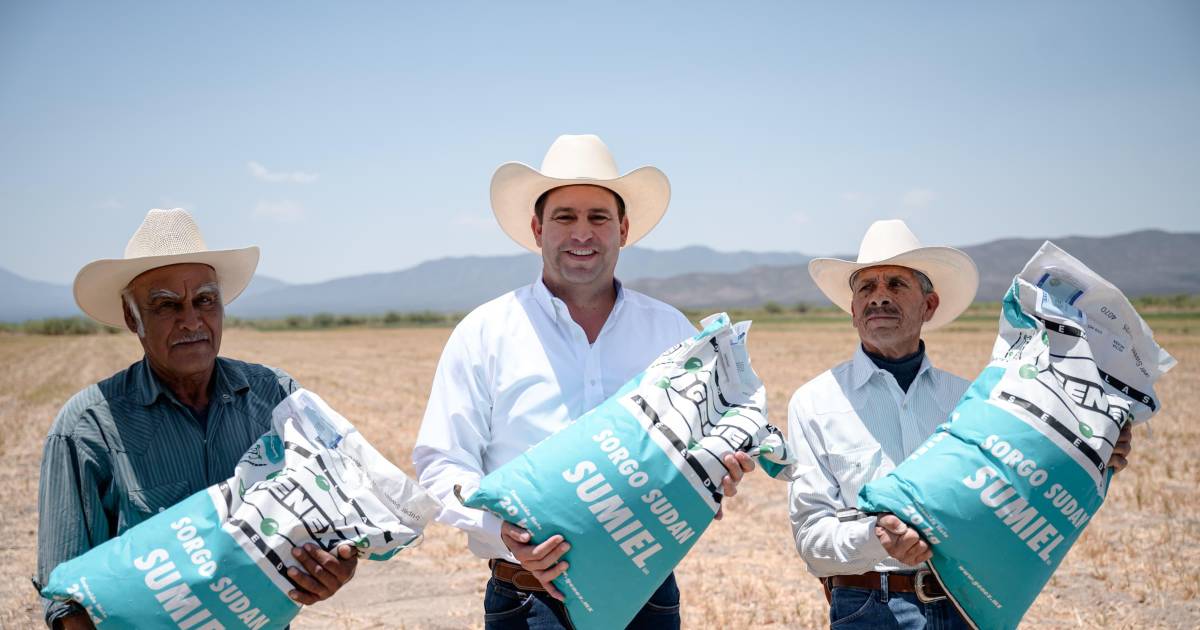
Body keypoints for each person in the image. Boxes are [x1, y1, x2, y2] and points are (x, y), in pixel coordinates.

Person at [413, 134, 755, 629]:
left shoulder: (671, 332)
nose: (582, 233)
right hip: (528, 600)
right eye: (564, 217)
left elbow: (708, 440)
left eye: (598, 217)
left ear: (623, 229)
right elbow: (442, 461)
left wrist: (719, 471)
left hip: (648, 598)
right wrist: (500, 529)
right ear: (537, 228)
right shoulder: (485, 332)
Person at [786, 219, 1134, 628]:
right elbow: (811, 537)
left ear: (929, 305)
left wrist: (1093, 453)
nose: (879, 297)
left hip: (966, 606)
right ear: (853, 310)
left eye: (896, 284)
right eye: (866, 287)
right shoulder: (815, 402)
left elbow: (1023, 482)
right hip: (870, 609)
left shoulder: (973, 400)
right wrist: (875, 537)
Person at [36, 209, 358, 629]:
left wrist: (334, 566)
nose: (191, 320)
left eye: (205, 300)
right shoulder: (86, 428)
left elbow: (333, 522)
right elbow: (66, 603)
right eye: (166, 305)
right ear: (133, 318)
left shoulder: (277, 398)